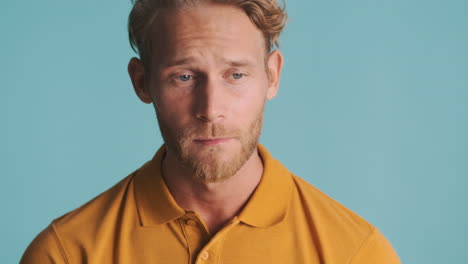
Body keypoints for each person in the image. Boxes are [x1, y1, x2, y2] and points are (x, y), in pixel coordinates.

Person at [21, 0, 401, 263]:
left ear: (272, 76)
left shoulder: (355, 253)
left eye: (236, 75)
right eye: (184, 77)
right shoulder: (67, 254)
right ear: (142, 82)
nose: (210, 109)